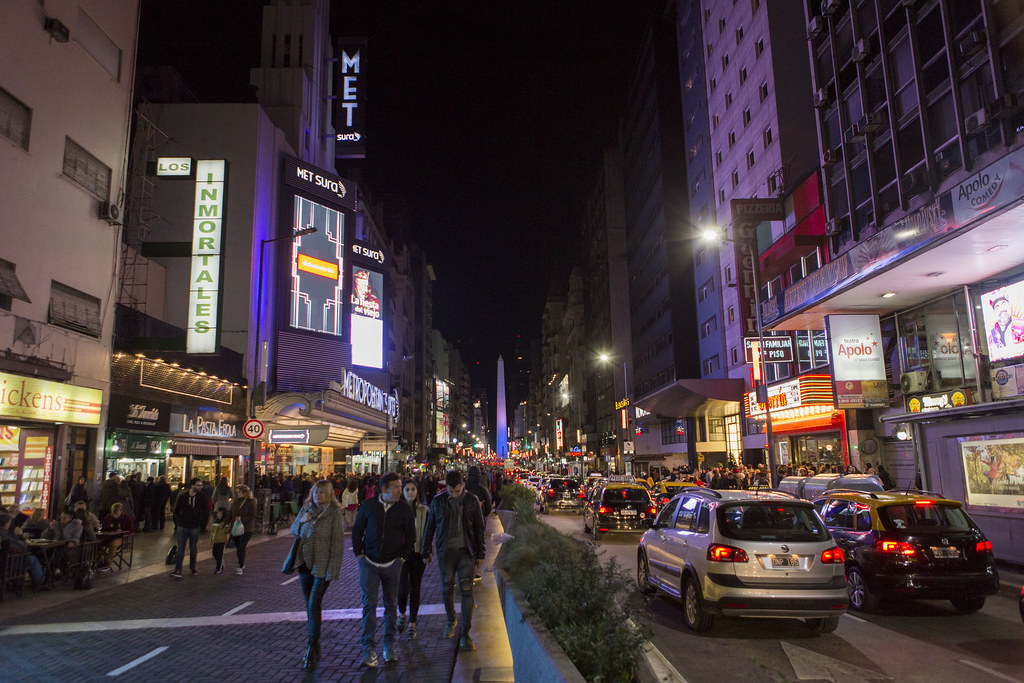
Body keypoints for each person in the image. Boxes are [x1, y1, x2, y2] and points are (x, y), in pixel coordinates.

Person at [351, 471, 415, 668]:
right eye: (396, 487)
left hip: (392, 564)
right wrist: (359, 552)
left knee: (390, 605)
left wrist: (401, 558)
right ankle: (368, 647)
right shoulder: (369, 506)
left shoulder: (403, 509)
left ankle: (389, 645)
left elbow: (411, 536)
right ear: (384, 489)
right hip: (369, 562)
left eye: (399, 487)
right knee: (368, 605)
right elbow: (358, 528)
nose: (399, 491)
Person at [421, 469, 486, 651]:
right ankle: (451, 619)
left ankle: (465, 634)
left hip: (467, 552)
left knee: (466, 590)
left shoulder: (472, 501)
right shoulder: (438, 501)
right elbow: (430, 526)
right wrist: (426, 551)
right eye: (450, 491)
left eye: (457, 491)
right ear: (446, 488)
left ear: (463, 486)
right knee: (446, 587)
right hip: (446, 552)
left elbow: (480, 529)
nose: (454, 494)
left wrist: (481, 554)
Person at [291, 480, 346, 670]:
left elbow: (338, 544)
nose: (318, 496)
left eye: (322, 493)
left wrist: (333, 571)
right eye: (315, 493)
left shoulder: (334, 514)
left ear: (329, 495)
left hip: (322, 566)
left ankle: (312, 645)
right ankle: (314, 641)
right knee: (310, 605)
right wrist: (302, 521)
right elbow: (294, 531)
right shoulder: (306, 508)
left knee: (314, 603)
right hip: (304, 564)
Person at [397, 478, 428, 640]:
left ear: (417, 491)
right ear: (402, 492)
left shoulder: (424, 510)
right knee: (403, 589)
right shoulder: (397, 510)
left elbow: (428, 534)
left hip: (418, 554)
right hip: (402, 556)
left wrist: (427, 552)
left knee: (415, 589)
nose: (410, 493)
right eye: (407, 490)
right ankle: (402, 614)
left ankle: (412, 624)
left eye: (413, 490)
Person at [0, 512, 49, 592]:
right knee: (32, 559)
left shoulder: (4, 534)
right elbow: (22, 548)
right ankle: (40, 582)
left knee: (29, 559)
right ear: (8, 523)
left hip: (5, 561)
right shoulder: (6, 535)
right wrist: (20, 536)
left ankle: (18, 582)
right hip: (10, 562)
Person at [170, 478, 208, 579]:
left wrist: (202, 524)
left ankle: (192, 567)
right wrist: (179, 522)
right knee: (181, 548)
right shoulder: (183, 497)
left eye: (201, 486)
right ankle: (178, 569)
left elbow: (206, 511)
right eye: (198, 485)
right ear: (192, 486)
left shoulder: (202, 497)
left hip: (195, 526)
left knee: (193, 548)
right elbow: (176, 510)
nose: (200, 487)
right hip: (183, 526)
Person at [229, 484, 256, 574]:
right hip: (235, 527)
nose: (237, 494)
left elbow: (252, 515)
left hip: (246, 528)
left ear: (244, 493)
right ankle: (241, 562)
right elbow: (230, 514)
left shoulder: (250, 502)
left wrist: (242, 519)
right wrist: (224, 522)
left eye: (238, 492)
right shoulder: (235, 502)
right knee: (238, 546)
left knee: (241, 546)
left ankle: (240, 565)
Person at [210, 507, 230, 574]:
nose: (219, 515)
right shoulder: (215, 522)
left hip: (222, 540)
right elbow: (212, 531)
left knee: (220, 554)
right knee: (214, 553)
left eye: (221, 513)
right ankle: (221, 563)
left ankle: (219, 567)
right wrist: (211, 539)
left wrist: (226, 538)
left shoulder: (225, 523)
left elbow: (227, 531)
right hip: (215, 540)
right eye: (218, 513)